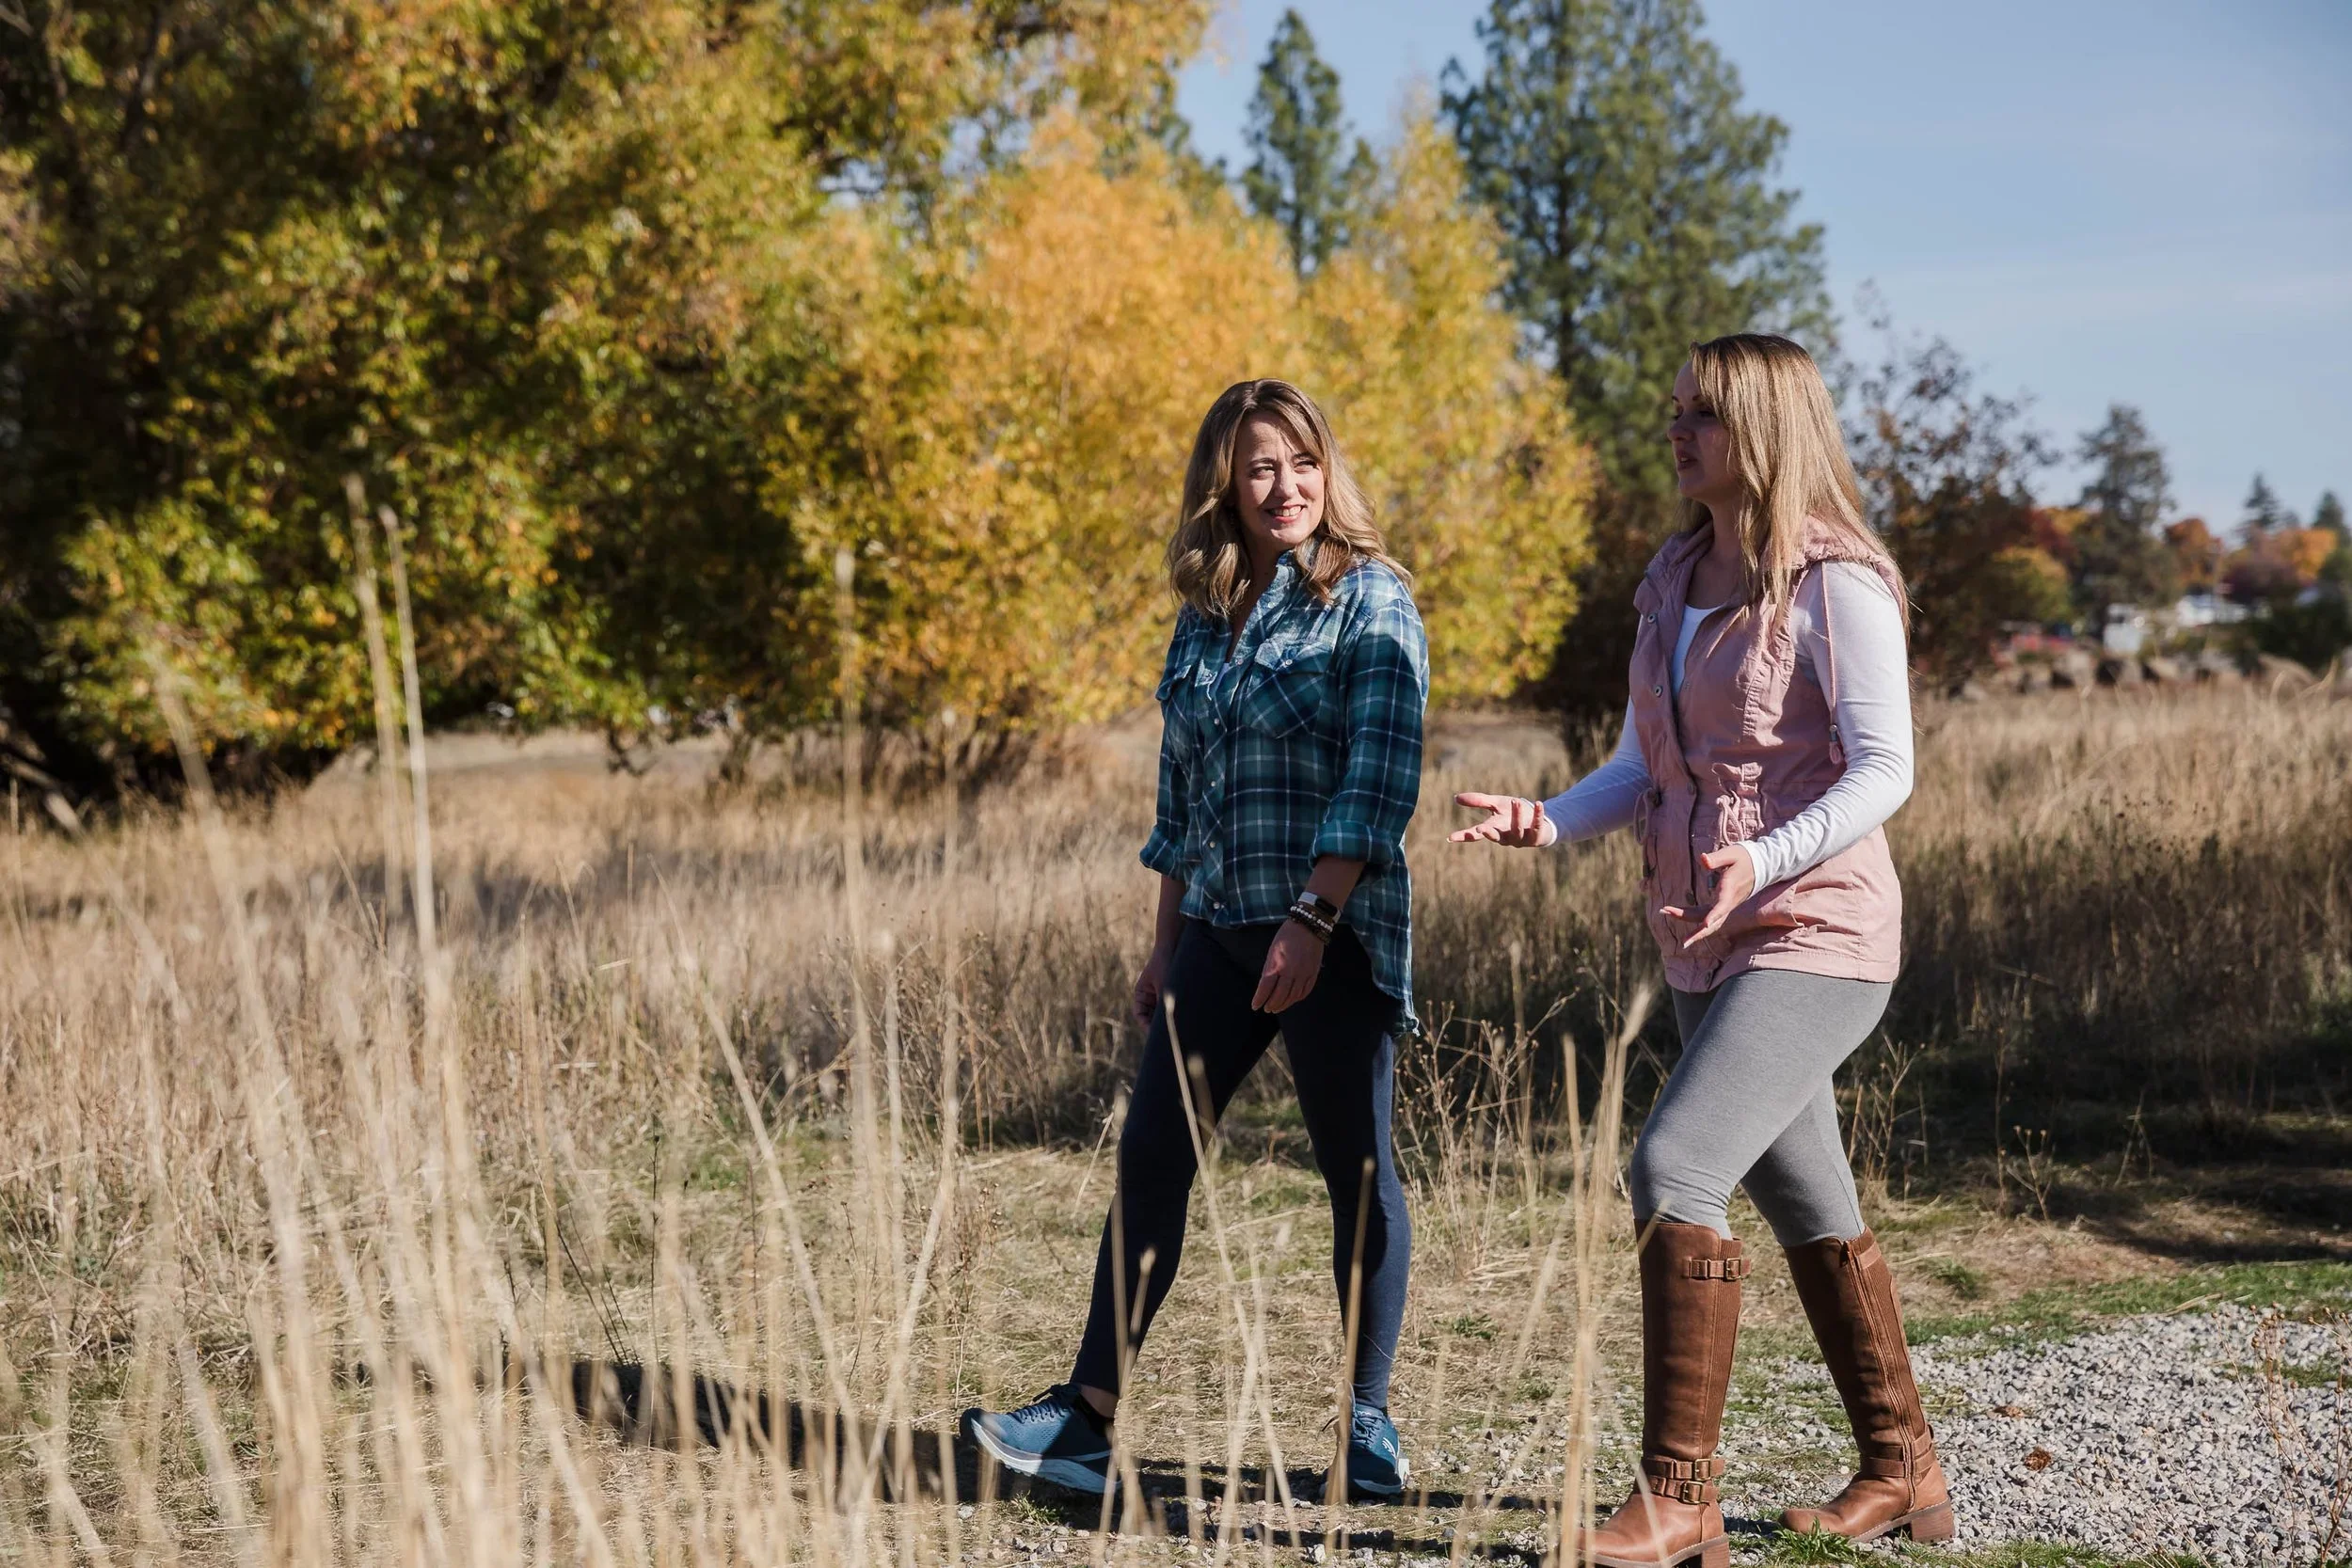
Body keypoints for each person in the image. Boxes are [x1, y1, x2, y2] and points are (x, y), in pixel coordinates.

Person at [1453, 334, 1950, 1566]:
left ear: (1766, 427)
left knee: (1673, 1164)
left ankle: (1679, 1497)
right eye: (1674, 410)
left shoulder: (1838, 579)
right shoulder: (1675, 578)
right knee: (1805, 1192)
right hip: (1701, 929)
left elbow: (1888, 769)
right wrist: (1551, 817)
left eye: (1704, 415)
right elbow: (1642, 767)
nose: (1677, 433)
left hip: (1819, 929)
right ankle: (1904, 1466)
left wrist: (1767, 856)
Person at [965, 379, 1429, 1501]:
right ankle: (1084, 1421)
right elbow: (1180, 803)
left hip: (1331, 937)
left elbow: (1379, 779)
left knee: (1354, 1171)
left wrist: (1312, 920)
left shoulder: (1369, 599)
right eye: (1261, 465)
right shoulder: (1207, 613)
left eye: (1303, 461)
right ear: (1223, 479)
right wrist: (1163, 945)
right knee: (1152, 1159)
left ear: (1330, 470)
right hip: (1216, 935)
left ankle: (1366, 1424)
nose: (1286, 487)